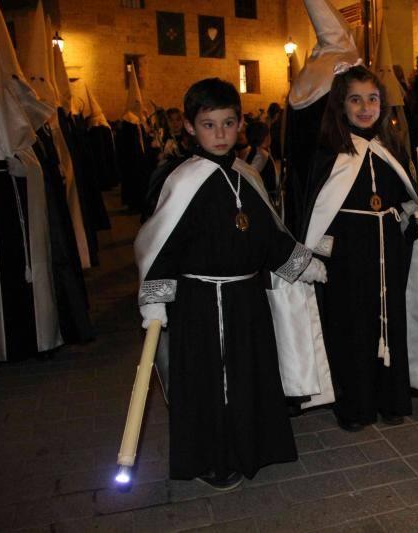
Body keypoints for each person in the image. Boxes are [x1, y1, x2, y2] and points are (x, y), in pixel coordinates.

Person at [134, 78, 326, 489]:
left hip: (245, 299)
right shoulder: (183, 181)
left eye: (227, 123)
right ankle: (210, 459)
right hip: (198, 303)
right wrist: (154, 299)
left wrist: (300, 264)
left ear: (240, 124)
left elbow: (268, 236)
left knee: (247, 377)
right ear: (189, 127)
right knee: (205, 382)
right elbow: (161, 244)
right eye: (208, 124)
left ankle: (251, 448)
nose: (220, 134)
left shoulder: (246, 176)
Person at [299, 64, 418, 431]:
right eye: (355, 99)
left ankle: (392, 399)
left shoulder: (390, 148)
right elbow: (316, 212)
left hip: (389, 252)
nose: (364, 107)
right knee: (352, 327)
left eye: (372, 99)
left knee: (390, 321)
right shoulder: (329, 154)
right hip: (348, 256)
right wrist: (321, 253)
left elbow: (406, 199)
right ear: (340, 106)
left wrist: (416, 216)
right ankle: (356, 405)